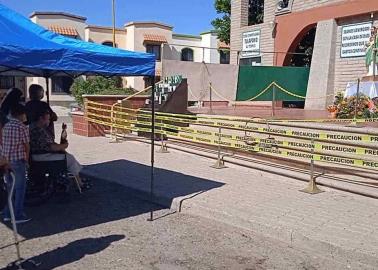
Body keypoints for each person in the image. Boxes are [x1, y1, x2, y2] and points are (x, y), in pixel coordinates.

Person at [29, 108, 90, 191]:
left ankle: (79, 181)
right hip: (41, 156)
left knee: (67, 156)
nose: (49, 121)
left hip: (39, 155)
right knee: (70, 158)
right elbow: (52, 147)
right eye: (48, 119)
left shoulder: (35, 128)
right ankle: (79, 184)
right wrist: (64, 145)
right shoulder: (39, 131)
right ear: (41, 118)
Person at [2, 104, 30, 224]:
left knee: (9, 188)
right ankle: (18, 214)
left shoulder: (6, 126)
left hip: (5, 160)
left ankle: (8, 213)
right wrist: (27, 160)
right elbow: (26, 145)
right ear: (21, 114)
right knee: (20, 188)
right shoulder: (22, 127)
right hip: (18, 160)